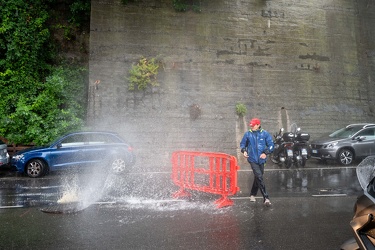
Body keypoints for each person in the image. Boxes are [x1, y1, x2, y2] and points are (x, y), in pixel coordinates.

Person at [240, 118, 274, 206]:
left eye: (253, 125)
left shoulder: (265, 134)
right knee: (259, 176)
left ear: (258, 125)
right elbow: (242, 144)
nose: (252, 127)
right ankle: (266, 198)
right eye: (251, 125)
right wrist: (244, 151)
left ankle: (252, 194)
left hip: (262, 159)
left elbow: (271, 145)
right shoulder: (248, 134)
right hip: (252, 159)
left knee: (258, 177)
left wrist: (266, 153)